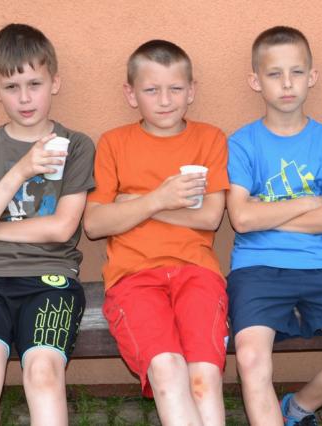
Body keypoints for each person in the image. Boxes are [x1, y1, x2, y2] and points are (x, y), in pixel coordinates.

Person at [226, 26, 322, 426]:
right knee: (251, 358)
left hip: (321, 265)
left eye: (296, 72)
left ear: (311, 77)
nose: (287, 83)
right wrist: (307, 203)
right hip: (257, 267)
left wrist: (267, 212)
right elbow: (241, 219)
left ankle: (297, 408)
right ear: (255, 81)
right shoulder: (242, 143)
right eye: (274, 74)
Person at [0, 23, 95, 426]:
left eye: (34, 84)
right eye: (11, 87)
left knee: (43, 373)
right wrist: (22, 170)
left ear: (54, 83)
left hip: (51, 279)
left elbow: (61, 229)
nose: (25, 98)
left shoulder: (77, 145)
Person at [83, 39, 229, 426]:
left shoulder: (209, 139)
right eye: (151, 90)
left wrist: (137, 204)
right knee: (167, 370)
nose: (165, 100)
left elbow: (210, 217)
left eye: (175, 88)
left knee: (203, 378)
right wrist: (161, 199)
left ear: (191, 91)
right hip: (134, 277)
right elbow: (95, 223)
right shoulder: (114, 143)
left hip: (197, 272)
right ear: (131, 94)